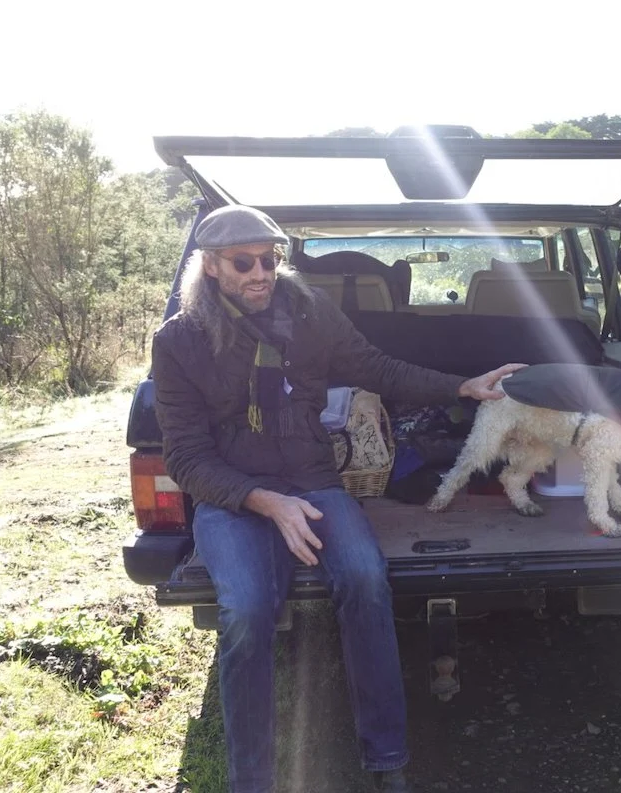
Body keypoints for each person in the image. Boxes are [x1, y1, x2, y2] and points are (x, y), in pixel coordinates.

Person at [151, 205, 523, 793]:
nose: (260, 273)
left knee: (366, 581)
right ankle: (252, 780)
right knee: (245, 612)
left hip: (314, 482)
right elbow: (186, 458)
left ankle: (386, 759)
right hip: (234, 496)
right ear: (212, 267)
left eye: (269, 260)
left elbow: (375, 367)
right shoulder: (179, 341)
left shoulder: (309, 312)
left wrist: (461, 386)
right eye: (243, 262)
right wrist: (264, 502)